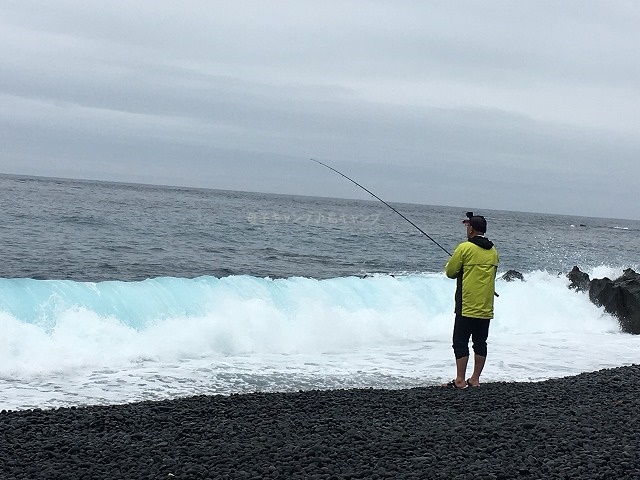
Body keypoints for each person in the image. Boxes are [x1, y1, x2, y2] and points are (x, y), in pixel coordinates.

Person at [443, 212, 499, 389]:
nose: (467, 229)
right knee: (480, 342)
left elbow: (450, 272)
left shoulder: (464, 248)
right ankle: (475, 379)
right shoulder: (493, 251)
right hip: (486, 305)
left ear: (472, 229)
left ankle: (460, 380)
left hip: (466, 305)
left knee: (460, 342)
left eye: (468, 226)